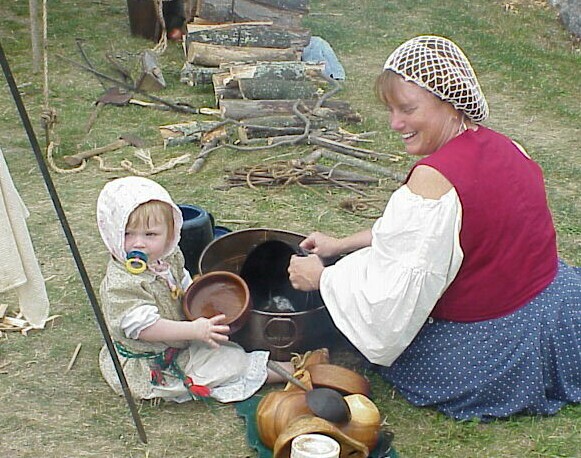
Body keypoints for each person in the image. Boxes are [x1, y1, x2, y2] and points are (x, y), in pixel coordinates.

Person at [288, 35, 580, 421]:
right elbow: (424, 235)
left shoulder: (433, 181)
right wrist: (340, 243)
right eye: (391, 110)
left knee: (396, 355)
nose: (396, 123)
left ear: (450, 101)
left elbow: (390, 299)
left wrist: (323, 279)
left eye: (408, 109)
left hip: (497, 347)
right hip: (562, 314)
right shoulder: (507, 145)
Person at [96, 176, 300, 403]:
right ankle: (287, 371)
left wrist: (195, 291)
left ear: (170, 233)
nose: (138, 243)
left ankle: (272, 363)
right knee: (225, 365)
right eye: (127, 234)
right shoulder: (122, 283)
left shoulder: (166, 256)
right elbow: (145, 328)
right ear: (111, 233)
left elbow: (180, 279)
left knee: (224, 344)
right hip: (155, 360)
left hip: (181, 338)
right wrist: (193, 331)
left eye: (150, 234)